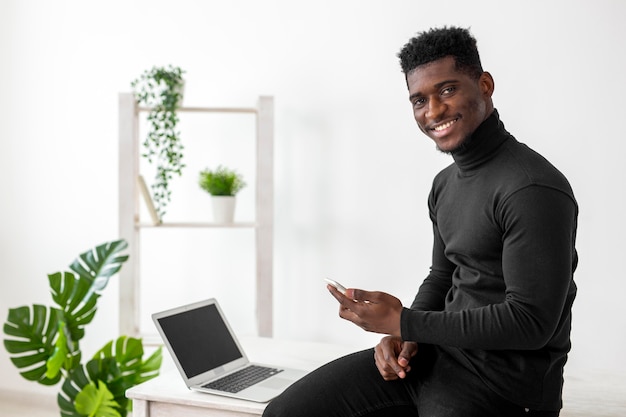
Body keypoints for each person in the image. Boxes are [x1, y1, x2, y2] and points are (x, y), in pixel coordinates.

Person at [263, 26, 578, 417]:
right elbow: (443, 275)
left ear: (484, 85)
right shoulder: (445, 183)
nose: (433, 111)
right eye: (419, 100)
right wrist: (403, 335)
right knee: (284, 413)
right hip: (435, 359)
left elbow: (530, 323)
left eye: (447, 90)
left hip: (505, 390)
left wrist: (408, 321)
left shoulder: (531, 188)